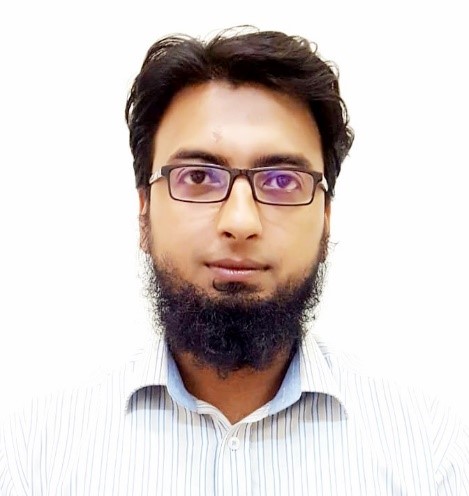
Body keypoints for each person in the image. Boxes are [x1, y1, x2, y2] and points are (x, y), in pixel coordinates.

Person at [1, 27, 468, 495]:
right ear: (144, 211)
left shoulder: (430, 453)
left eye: (282, 181)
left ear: (326, 218)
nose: (240, 221)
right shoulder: (37, 454)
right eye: (198, 176)